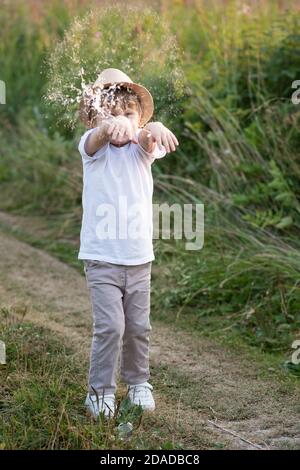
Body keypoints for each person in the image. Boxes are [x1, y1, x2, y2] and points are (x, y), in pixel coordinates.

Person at [78, 68, 179, 418]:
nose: (121, 120)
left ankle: (138, 383)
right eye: (111, 113)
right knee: (110, 327)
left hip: (138, 258)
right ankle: (100, 391)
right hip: (101, 258)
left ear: (138, 117)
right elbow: (97, 138)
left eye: (128, 113)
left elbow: (151, 138)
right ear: (95, 117)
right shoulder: (93, 150)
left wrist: (154, 128)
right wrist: (107, 127)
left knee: (138, 327)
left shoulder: (141, 150)